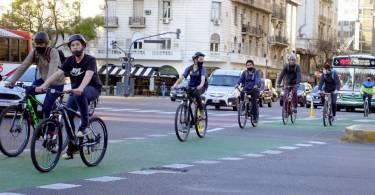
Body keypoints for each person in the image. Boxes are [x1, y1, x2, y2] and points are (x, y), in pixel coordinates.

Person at [36, 34, 102, 159]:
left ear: (83, 46)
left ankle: (85, 125)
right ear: (70, 48)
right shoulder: (70, 60)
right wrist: (44, 85)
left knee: (80, 94)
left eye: (78, 44)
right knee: (67, 115)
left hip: (92, 88)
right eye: (73, 45)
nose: (75, 47)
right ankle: (72, 147)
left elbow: (88, 76)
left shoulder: (90, 60)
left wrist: (81, 88)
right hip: (75, 91)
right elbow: (58, 74)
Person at [5, 32, 65, 117]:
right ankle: (34, 117)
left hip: (57, 83)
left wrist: (45, 85)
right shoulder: (34, 52)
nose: (38, 46)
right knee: (29, 91)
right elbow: (23, 66)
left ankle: (50, 129)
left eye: (41, 44)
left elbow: (53, 70)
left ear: (46, 44)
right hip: (43, 80)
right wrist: (12, 81)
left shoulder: (53, 52)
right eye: (37, 44)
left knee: (46, 107)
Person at [171, 52, 207, 118]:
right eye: (200, 59)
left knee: (196, 93)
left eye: (202, 60)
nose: (202, 61)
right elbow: (182, 77)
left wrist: (201, 85)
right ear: (195, 60)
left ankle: (201, 110)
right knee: (187, 97)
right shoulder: (189, 68)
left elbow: (203, 78)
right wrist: (175, 85)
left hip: (200, 87)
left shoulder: (202, 69)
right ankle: (189, 119)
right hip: (191, 86)